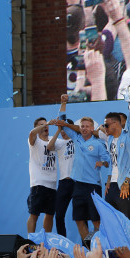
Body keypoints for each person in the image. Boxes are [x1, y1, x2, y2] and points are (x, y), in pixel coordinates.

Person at [54, 114, 110, 241]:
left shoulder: (98, 144)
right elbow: (61, 121)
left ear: (92, 129)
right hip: (78, 185)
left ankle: (100, 247)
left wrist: (102, 163)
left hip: (93, 186)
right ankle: (88, 249)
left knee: (96, 221)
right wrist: (63, 103)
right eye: (82, 126)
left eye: (87, 126)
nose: (84, 128)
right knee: (79, 220)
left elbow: (108, 161)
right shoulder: (76, 138)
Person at [103, 111, 130, 233]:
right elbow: (112, 163)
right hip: (113, 184)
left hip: (127, 184)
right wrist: (109, 181)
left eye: (107, 125)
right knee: (113, 219)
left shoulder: (129, 137)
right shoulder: (110, 139)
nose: (105, 127)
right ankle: (120, 248)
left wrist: (127, 181)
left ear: (115, 124)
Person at [27, 117, 58, 233]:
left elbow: (65, 141)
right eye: (42, 125)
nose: (46, 126)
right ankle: (30, 242)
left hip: (52, 184)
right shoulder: (34, 141)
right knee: (34, 214)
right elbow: (31, 133)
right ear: (37, 127)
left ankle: (46, 242)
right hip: (38, 183)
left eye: (47, 125)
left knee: (50, 215)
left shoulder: (53, 140)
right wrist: (48, 123)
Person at [51, 94, 76, 238]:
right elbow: (49, 146)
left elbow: (63, 120)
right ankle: (63, 242)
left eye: (66, 129)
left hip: (78, 181)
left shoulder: (78, 140)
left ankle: (89, 246)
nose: (64, 132)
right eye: (62, 130)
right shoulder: (59, 143)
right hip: (64, 182)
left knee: (82, 216)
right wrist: (62, 103)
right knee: (59, 214)